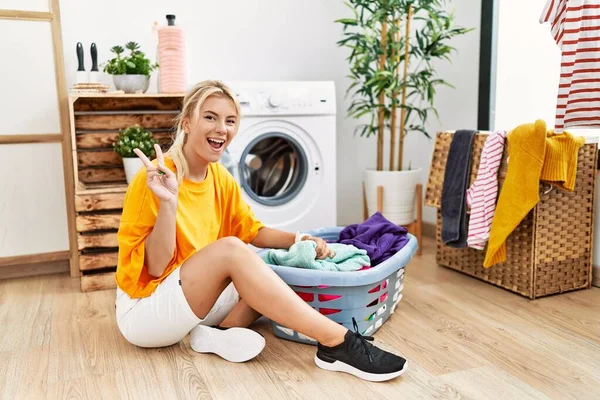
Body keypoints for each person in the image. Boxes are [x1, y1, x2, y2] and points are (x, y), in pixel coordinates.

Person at [114, 80, 407, 382]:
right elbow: (157, 266)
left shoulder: (220, 178)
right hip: (146, 311)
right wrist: (168, 204)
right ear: (187, 122)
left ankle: (217, 334)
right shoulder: (155, 179)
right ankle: (337, 342)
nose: (221, 129)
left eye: (230, 121)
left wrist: (299, 239)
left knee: (271, 267)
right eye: (210, 117)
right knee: (231, 251)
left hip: (193, 301)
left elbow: (251, 231)